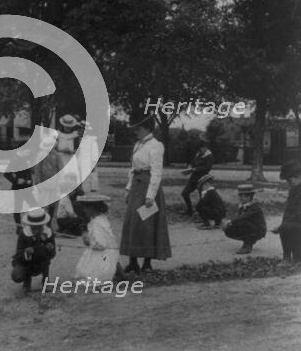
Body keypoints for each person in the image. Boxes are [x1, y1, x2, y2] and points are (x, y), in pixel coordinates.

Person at [120, 112, 171, 274]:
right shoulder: (138, 145)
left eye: (138, 128)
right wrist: (128, 188)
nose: (135, 131)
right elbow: (133, 169)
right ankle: (132, 261)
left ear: (147, 128)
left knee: (147, 224)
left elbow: (157, 172)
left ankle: (147, 263)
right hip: (137, 186)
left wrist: (150, 195)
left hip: (148, 187)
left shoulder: (156, 145)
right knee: (132, 222)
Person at [271, 160, 301, 262]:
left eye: (290, 180)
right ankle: (287, 256)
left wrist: (283, 225)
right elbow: (288, 211)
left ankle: (296, 257)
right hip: (296, 223)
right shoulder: (293, 191)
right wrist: (283, 224)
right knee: (284, 227)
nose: (288, 183)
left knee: (299, 256)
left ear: (299, 177)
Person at [75, 194, 122, 282]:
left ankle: (115, 273)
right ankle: (119, 272)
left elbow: (101, 245)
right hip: (110, 253)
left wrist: (89, 242)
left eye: (86, 208)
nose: (84, 210)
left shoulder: (97, 223)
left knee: (87, 273)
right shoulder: (102, 219)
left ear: (92, 209)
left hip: (103, 254)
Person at [11, 209, 56, 292]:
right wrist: (26, 253)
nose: (36, 229)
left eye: (39, 226)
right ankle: (26, 282)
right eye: (33, 226)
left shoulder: (48, 233)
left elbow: (53, 254)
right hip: (26, 263)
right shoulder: (24, 234)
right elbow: (18, 254)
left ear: (43, 224)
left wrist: (50, 249)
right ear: (29, 224)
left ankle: (46, 281)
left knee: (45, 259)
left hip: (41, 261)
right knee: (17, 275)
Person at [222, 184, 267, 254]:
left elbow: (244, 216)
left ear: (249, 197)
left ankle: (247, 244)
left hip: (259, 230)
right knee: (231, 227)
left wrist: (230, 221)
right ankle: (248, 241)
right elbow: (238, 216)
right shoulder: (243, 206)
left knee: (242, 222)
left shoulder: (255, 207)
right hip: (251, 227)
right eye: (239, 196)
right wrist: (229, 224)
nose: (240, 198)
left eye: (243, 196)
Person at [180, 141, 214, 216]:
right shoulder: (198, 154)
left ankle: (203, 214)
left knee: (203, 197)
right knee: (185, 193)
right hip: (193, 178)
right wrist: (188, 169)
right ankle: (190, 210)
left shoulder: (209, 156)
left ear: (205, 147)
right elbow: (193, 163)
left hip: (203, 179)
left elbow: (207, 168)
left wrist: (195, 169)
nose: (200, 150)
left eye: (201, 148)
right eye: (199, 149)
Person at [4, 149, 34, 230]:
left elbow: (28, 173)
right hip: (18, 189)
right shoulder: (15, 160)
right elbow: (6, 173)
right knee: (18, 208)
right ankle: (19, 227)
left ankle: (32, 224)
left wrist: (29, 182)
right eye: (27, 151)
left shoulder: (24, 159)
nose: (29, 153)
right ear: (21, 150)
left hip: (26, 188)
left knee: (33, 205)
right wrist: (17, 180)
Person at [34, 135, 62, 219]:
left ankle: (50, 220)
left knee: (53, 203)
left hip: (54, 182)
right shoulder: (40, 155)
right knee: (42, 202)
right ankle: (41, 218)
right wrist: (38, 183)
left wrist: (59, 181)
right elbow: (37, 171)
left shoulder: (57, 156)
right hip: (43, 182)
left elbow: (60, 169)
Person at [56, 114, 81, 182]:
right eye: (66, 127)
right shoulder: (58, 134)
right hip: (60, 157)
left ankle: (73, 188)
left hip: (71, 158)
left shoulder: (75, 135)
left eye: (69, 127)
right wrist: (59, 150)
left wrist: (72, 151)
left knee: (72, 173)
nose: (67, 128)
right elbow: (54, 147)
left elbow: (78, 148)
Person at [77, 121, 100, 194]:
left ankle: (90, 191)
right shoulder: (79, 140)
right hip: (80, 162)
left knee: (88, 179)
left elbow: (95, 152)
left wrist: (93, 162)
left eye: (82, 129)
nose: (80, 131)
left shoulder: (91, 140)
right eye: (79, 129)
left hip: (88, 162)